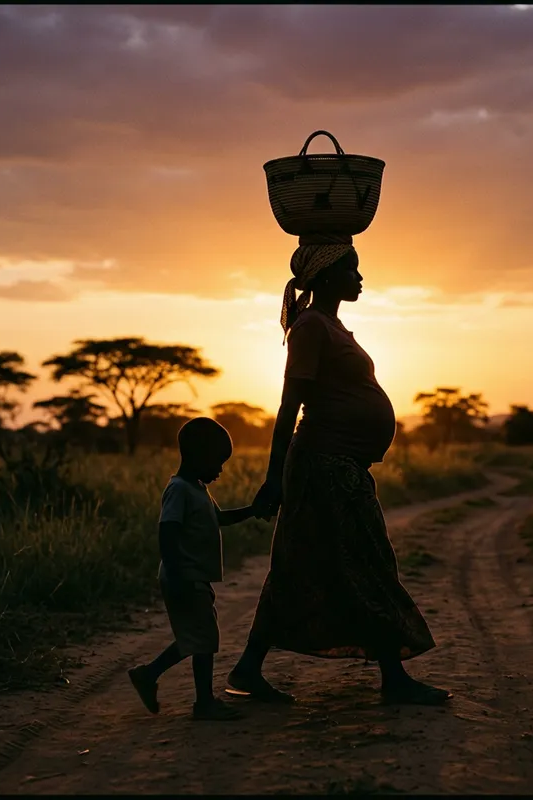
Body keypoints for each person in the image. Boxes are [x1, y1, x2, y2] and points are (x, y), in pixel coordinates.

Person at [225, 234, 452, 706]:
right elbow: (289, 404)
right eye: (352, 269)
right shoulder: (311, 327)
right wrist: (273, 475)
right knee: (365, 560)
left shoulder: (329, 326)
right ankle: (394, 679)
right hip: (323, 467)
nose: (361, 277)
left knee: (303, 565)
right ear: (326, 276)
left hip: (336, 464)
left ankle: (248, 669)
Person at [128, 417, 256, 721]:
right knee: (203, 638)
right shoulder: (179, 490)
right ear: (198, 456)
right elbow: (167, 533)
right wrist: (177, 574)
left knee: (197, 637)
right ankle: (203, 703)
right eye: (217, 462)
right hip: (183, 576)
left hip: (193, 576)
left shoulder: (197, 488)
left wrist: (253, 511)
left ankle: (148, 674)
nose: (220, 470)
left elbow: (219, 518)